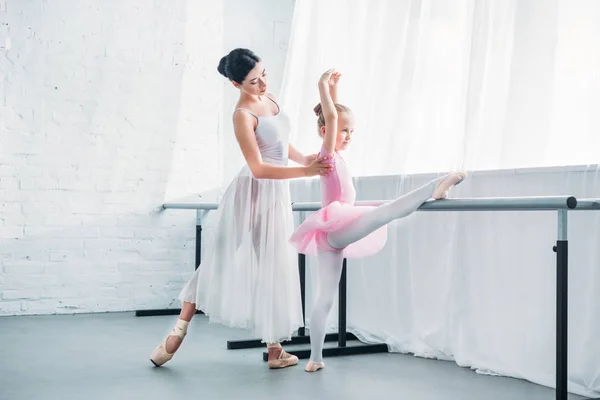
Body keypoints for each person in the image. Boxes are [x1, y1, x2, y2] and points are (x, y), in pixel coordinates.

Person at [150, 49, 333, 369]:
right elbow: (259, 168)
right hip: (252, 191)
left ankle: (275, 349)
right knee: (220, 259)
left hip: (277, 192)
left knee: (272, 264)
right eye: (253, 81)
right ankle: (179, 329)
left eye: (263, 73)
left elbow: (280, 142)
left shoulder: (270, 99)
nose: (262, 83)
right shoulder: (242, 115)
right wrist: (305, 172)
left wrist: (305, 160)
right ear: (236, 84)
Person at [289, 69, 466, 372]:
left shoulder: (330, 157)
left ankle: (315, 358)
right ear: (326, 134)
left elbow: (332, 117)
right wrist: (323, 87)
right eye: (344, 132)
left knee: (325, 297)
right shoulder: (327, 156)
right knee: (388, 210)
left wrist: (333, 92)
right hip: (337, 224)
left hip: (333, 233)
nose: (348, 136)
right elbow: (331, 119)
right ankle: (437, 185)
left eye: (351, 132)